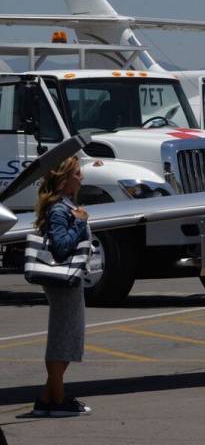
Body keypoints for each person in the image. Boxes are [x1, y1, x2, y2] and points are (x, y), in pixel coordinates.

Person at [32, 156, 92, 417]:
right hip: (62, 282)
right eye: (78, 173)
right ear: (65, 180)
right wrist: (79, 222)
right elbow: (61, 246)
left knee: (69, 338)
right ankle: (58, 401)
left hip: (70, 281)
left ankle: (46, 400)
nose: (82, 177)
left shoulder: (66, 205)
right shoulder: (59, 209)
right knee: (62, 340)